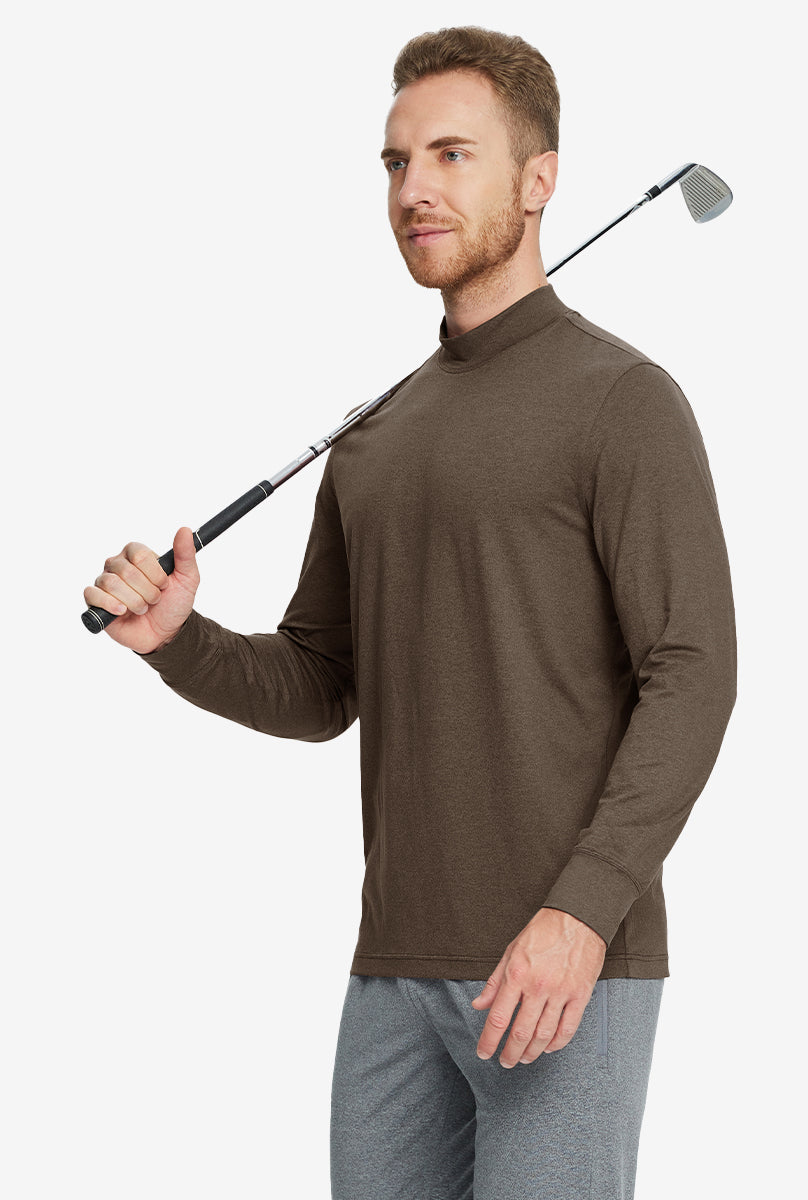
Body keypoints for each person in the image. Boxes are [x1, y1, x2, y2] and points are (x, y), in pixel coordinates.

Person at [84, 26, 738, 1200]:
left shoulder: (624, 402)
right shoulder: (372, 435)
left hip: (562, 964)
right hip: (392, 970)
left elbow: (693, 672)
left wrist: (584, 913)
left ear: (539, 180)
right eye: (396, 162)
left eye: (451, 154)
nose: (414, 190)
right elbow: (323, 683)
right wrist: (181, 643)